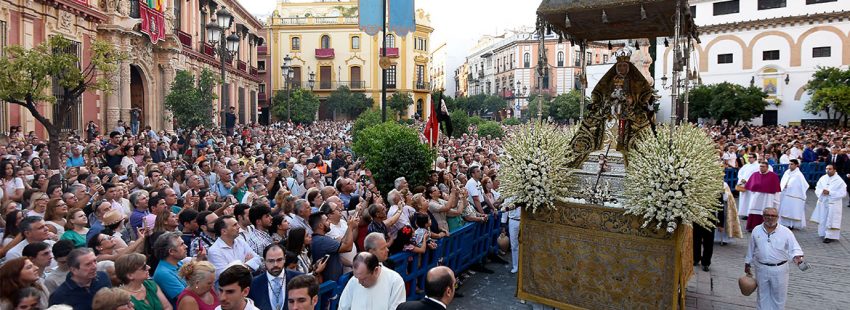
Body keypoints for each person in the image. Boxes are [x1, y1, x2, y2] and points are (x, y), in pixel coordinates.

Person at [744, 207, 804, 310]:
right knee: (762, 295)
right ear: (763, 216)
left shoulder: (786, 232)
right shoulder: (756, 230)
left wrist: (797, 257)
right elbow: (751, 248)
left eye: (773, 216)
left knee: (779, 296)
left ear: (778, 217)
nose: (770, 218)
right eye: (767, 215)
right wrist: (747, 263)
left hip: (780, 269)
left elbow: (795, 248)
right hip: (761, 268)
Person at [48, 248, 113, 309]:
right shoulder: (59, 296)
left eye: (95, 261)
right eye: (88, 264)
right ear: (73, 270)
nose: (94, 266)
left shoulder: (103, 277)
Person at [338, 252, 406, 310]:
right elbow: (342, 307)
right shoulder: (353, 280)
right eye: (357, 278)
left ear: (375, 270)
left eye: (364, 279)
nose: (359, 282)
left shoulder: (394, 280)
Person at [248, 243, 304, 310]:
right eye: (271, 261)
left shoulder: (299, 279)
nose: (275, 264)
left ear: (285, 259)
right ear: (264, 261)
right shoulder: (254, 284)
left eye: (279, 260)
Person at [308, 211, 358, 282]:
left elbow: (341, 244)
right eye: (326, 220)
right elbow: (348, 248)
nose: (330, 222)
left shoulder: (320, 239)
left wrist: (351, 264)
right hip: (330, 283)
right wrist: (350, 227)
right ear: (320, 225)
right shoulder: (322, 240)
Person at [152, 231, 190, 304]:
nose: (186, 246)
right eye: (182, 244)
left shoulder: (178, 263)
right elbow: (186, 299)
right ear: (171, 251)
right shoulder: (163, 273)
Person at [811, 164, 846, 243]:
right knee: (823, 218)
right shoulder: (823, 178)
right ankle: (823, 233)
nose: (827, 170)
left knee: (831, 219)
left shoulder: (839, 181)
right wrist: (821, 192)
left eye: (830, 169)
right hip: (823, 202)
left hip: (833, 204)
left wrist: (830, 192)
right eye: (826, 169)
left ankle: (830, 236)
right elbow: (817, 188)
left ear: (834, 170)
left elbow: (843, 193)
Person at [744, 162, 781, 232]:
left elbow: (776, 189)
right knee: (754, 211)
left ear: (767, 167)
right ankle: (752, 226)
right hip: (756, 197)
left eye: (763, 166)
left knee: (766, 212)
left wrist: (776, 200)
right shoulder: (755, 174)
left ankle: (767, 227)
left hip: (768, 197)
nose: (761, 168)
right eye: (760, 166)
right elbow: (750, 186)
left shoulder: (773, 176)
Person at [778, 159, 808, 229]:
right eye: (789, 164)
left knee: (791, 210)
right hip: (785, 193)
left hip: (794, 195)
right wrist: (783, 185)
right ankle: (782, 223)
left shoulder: (799, 175)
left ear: (796, 165)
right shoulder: (787, 172)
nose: (789, 166)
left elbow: (803, 185)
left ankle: (791, 224)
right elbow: (782, 181)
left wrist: (791, 186)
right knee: (783, 208)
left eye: (791, 164)